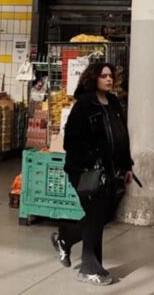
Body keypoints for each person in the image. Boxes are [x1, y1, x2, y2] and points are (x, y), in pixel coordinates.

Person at [52, 61, 134, 286]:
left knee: (104, 215)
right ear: (93, 78)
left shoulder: (114, 103)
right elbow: (71, 141)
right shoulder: (84, 105)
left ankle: (65, 237)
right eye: (104, 76)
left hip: (109, 171)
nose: (109, 79)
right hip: (85, 171)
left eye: (111, 76)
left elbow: (121, 137)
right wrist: (91, 160)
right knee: (96, 216)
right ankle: (89, 267)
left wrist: (127, 165)